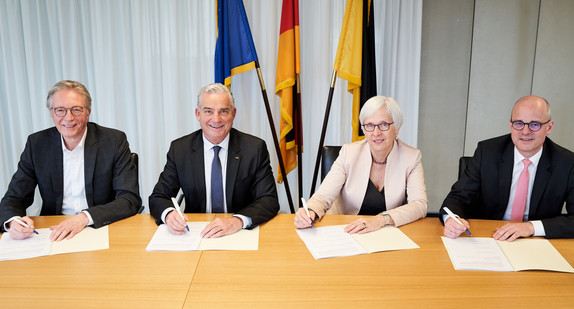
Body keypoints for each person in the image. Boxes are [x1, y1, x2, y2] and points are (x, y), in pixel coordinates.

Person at [0, 80, 141, 241]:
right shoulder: (37, 144)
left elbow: (129, 199)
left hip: (100, 227)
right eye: (60, 110)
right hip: (54, 231)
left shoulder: (113, 141)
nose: (68, 117)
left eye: (76, 110)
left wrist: (84, 217)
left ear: (87, 113)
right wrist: (12, 221)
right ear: (52, 114)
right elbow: (14, 198)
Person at [149, 83, 279, 238]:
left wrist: (237, 221)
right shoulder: (180, 149)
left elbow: (269, 200)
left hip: (238, 233)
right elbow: (158, 197)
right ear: (198, 114)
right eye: (208, 111)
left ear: (233, 113)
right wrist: (169, 214)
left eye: (223, 111)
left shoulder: (254, 149)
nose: (216, 119)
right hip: (195, 234)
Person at [440, 95, 574, 241]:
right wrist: (452, 219)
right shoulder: (487, 152)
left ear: (549, 127)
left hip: (535, 240)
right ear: (511, 125)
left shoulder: (567, 163)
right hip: (488, 235)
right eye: (519, 123)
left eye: (534, 124)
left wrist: (531, 227)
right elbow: (458, 197)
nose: (525, 131)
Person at [294, 96, 428, 232]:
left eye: (384, 125)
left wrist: (380, 220)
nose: (376, 132)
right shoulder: (349, 153)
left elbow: (419, 204)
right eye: (369, 125)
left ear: (397, 128)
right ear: (364, 130)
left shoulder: (411, 157)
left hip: (389, 232)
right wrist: (310, 211)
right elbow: (322, 197)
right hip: (346, 230)